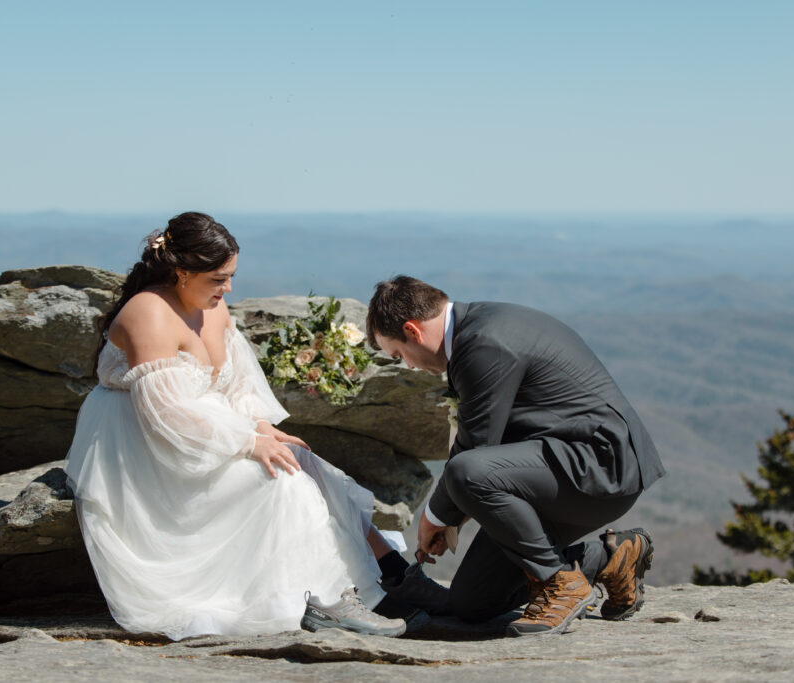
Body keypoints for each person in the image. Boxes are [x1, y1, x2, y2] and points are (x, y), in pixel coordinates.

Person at [64, 212, 412, 639]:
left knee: (304, 461)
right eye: (218, 279)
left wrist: (260, 426)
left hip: (201, 423)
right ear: (181, 272)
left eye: (230, 277)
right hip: (146, 447)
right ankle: (323, 599)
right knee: (282, 480)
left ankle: (395, 580)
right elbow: (164, 416)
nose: (227, 289)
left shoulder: (212, 306)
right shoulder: (148, 314)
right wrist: (245, 443)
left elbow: (235, 382)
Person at [366, 275, 666, 637]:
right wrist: (453, 519)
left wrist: (434, 516)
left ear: (413, 330)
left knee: (465, 470)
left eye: (399, 355)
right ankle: (611, 557)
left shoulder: (483, 342)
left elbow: (476, 452)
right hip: (557, 472)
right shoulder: (475, 330)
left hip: (599, 468)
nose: (409, 366)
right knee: (471, 604)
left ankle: (560, 584)